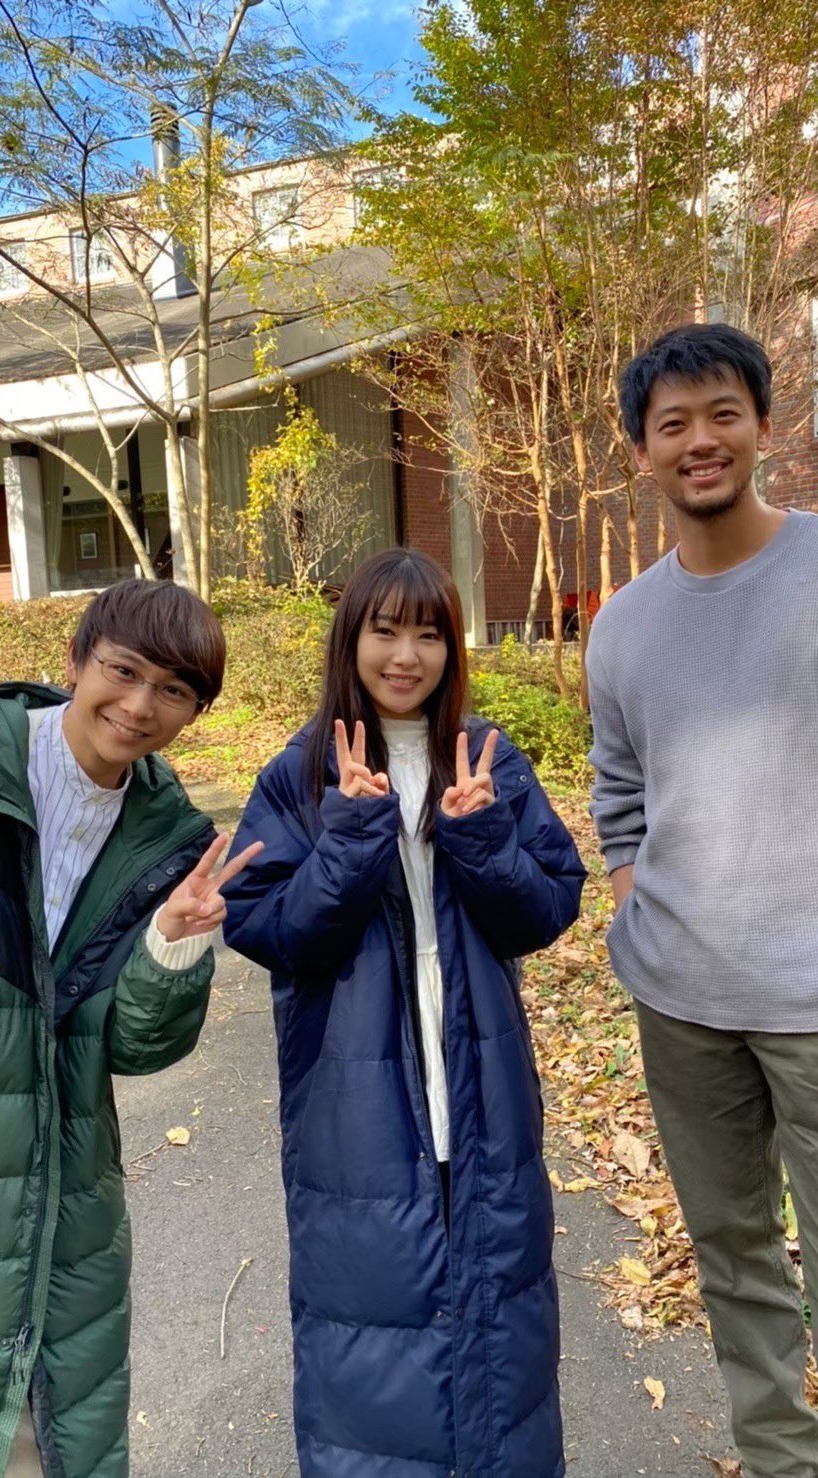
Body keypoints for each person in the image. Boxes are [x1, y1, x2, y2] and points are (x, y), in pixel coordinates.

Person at [587, 321, 818, 1478]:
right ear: (641, 449)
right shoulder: (622, 623)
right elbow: (619, 793)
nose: (699, 441)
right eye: (672, 423)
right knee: (732, 1258)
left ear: (761, 423)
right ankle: (779, 1460)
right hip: (682, 1008)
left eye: (721, 414)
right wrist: (642, 921)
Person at [0, 578, 261, 1478]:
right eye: (124, 671)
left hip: (65, 1203)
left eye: (174, 690)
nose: (140, 706)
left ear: (197, 713)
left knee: (48, 1434)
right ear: (75, 660)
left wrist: (172, 944)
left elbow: (133, 1047)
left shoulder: (164, 836)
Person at [222, 548, 585, 1477]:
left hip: (484, 1095)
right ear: (352, 640)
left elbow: (547, 909)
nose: (406, 654)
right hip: (358, 1113)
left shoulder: (488, 757)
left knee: (500, 1327)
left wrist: (481, 836)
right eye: (385, 630)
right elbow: (270, 930)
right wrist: (349, 838)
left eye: (428, 633)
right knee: (373, 1334)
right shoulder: (300, 776)